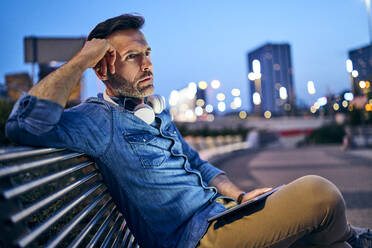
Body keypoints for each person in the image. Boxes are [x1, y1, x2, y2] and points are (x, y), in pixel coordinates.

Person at [5, 14, 372, 248]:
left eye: (147, 53)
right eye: (133, 57)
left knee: (328, 243)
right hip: (195, 239)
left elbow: (200, 164)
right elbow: (22, 124)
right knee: (318, 192)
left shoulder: (155, 112)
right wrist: (83, 58)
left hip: (222, 213)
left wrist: (241, 196)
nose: (147, 64)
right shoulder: (96, 120)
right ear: (103, 70)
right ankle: (358, 237)